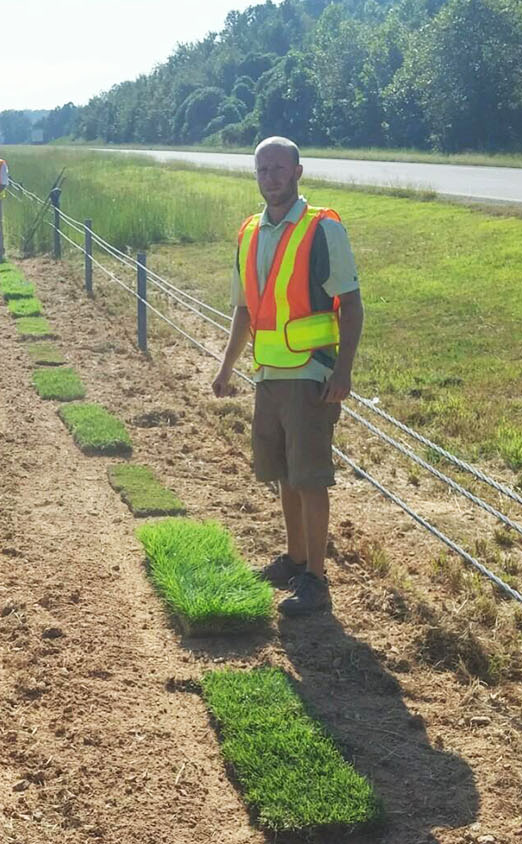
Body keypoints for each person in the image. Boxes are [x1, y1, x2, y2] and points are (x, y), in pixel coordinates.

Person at [211, 136, 365, 616]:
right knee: (283, 475)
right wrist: (227, 366)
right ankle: (296, 558)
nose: (271, 177)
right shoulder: (250, 232)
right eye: (262, 170)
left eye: (279, 168)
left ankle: (316, 580)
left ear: (298, 171)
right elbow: (244, 309)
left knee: (310, 478)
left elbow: (353, 305)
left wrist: (343, 372)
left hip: (310, 375)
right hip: (269, 374)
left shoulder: (322, 230)